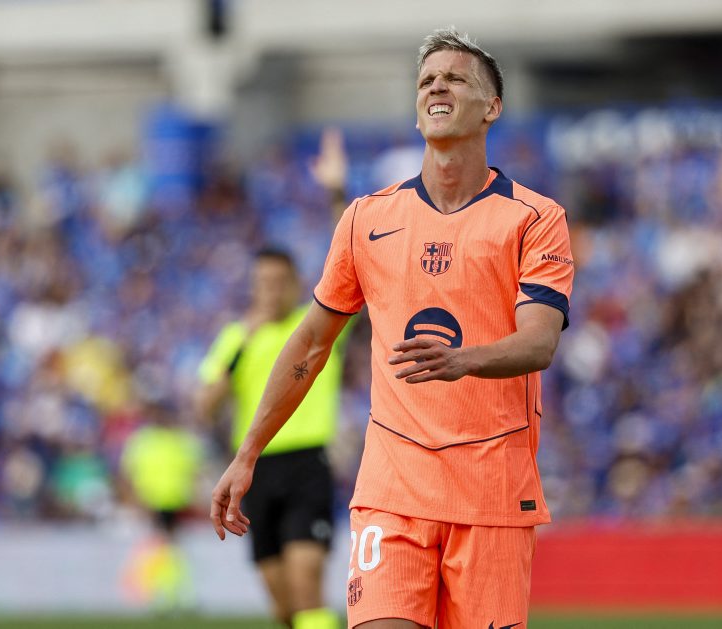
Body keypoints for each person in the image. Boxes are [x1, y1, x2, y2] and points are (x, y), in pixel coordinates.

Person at [210, 28, 575, 629]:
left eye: (455, 78)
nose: (437, 87)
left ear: (492, 107)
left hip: (492, 492)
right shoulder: (366, 219)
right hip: (393, 490)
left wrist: (462, 360)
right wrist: (247, 452)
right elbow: (311, 344)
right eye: (427, 80)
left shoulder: (535, 219)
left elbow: (539, 341)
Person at [198, 248, 345, 629]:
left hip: (307, 463)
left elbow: (353, 271)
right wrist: (241, 347)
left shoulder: (315, 325)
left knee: (306, 583)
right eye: (265, 283)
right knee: (284, 606)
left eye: (281, 282)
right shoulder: (236, 337)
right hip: (256, 470)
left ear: (296, 284)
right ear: (253, 288)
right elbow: (205, 406)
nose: (273, 291)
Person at [121, 399, 204, 610]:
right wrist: (136, 500)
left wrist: (193, 497)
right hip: (153, 501)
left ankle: (169, 594)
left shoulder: (178, 441)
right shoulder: (145, 441)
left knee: (166, 547)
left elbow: (193, 473)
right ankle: (168, 593)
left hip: (175, 500)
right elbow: (129, 474)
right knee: (165, 547)